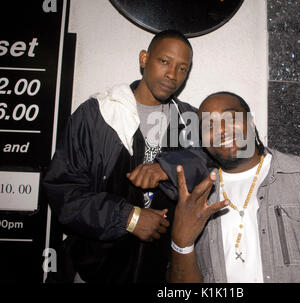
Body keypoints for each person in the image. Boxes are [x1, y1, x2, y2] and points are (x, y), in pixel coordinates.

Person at [157, 91, 300, 283]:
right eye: (209, 125)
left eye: (231, 118)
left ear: (251, 121)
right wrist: (182, 244)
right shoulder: (197, 195)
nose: (222, 130)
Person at [43, 30, 196, 283]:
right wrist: (128, 218)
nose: (172, 75)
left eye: (182, 68)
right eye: (164, 61)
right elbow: (63, 191)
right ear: (144, 58)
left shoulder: (188, 119)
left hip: (158, 273)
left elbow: (207, 165)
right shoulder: (99, 112)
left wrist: (166, 168)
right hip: (93, 270)